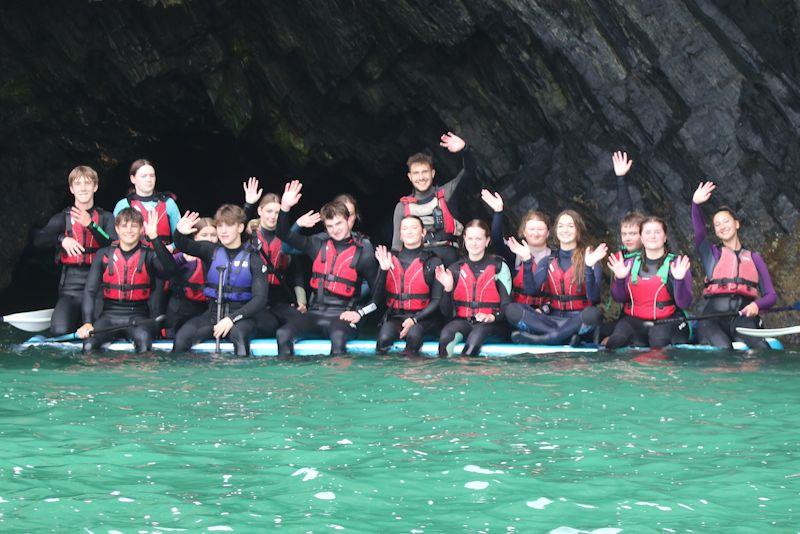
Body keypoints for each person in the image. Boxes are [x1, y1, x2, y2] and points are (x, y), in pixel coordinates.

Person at [275, 180, 379, 356]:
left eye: (339, 224)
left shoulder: (364, 250)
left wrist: (360, 314)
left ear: (349, 219)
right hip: (315, 313)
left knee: (338, 337)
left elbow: (379, 294)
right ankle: (290, 380)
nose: (335, 230)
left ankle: (337, 382)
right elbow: (283, 234)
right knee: (282, 333)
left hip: (343, 316)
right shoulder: (317, 243)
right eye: (330, 226)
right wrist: (285, 207)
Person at [172, 205, 268, 356]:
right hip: (212, 316)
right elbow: (183, 245)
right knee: (181, 338)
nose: (223, 231)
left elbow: (260, 300)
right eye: (220, 226)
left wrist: (231, 319)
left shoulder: (254, 259)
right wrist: (179, 232)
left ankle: (240, 377)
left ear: (240, 227)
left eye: (229, 225)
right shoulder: (210, 250)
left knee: (239, 337)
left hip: (241, 318)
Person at [77, 208, 177, 352]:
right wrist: (87, 322)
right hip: (108, 316)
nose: (129, 230)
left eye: (134, 226)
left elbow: (171, 270)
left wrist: (154, 237)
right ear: (117, 228)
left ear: (142, 229)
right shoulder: (103, 254)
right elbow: (90, 291)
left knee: (143, 340)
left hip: (139, 317)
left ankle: (141, 375)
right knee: (88, 346)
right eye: (124, 226)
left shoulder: (149, 255)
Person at [691, 182, 777, 349]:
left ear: (737, 224)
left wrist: (756, 305)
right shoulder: (711, 254)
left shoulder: (754, 258)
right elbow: (700, 232)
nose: (723, 226)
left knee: (761, 348)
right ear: (715, 231)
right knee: (724, 350)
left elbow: (771, 296)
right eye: (718, 225)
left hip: (743, 318)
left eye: (726, 221)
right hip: (712, 320)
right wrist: (695, 204)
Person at [34, 166, 117, 335]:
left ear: (95, 187)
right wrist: (62, 239)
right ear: (72, 189)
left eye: (87, 183)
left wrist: (91, 225)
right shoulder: (62, 218)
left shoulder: (107, 218)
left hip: (100, 288)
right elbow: (38, 240)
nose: (83, 188)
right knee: (59, 331)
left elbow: (112, 244)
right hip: (71, 288)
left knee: (98, 331)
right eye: (78, 184)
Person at [506, 210, 607, 345]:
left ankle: (547, 339)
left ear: (579, 230)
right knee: (512, 309)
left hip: (578, 319)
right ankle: (563, 336)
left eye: (570, 226)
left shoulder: (590, 257)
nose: (565, 230)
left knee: (594, 313)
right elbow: (531, 290)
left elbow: (594, 297)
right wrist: (527, 261)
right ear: (555, 231)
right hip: (551, 319)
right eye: (561, 226)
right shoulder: (548, 260)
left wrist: (588, 267)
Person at [605, 217, 693, 349]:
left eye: (657, 232)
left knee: (658, 342)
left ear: (665, 237)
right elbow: (619, 298)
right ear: (641, 237)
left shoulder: (677, 264)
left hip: (666, 320)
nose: (652, 236)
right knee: (614, 342)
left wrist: (679, 280)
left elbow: (684, 303)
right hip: (634, 320)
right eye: (647, 232)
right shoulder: (629, 263)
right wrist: (620, 278)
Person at [392, 132, 478, 265]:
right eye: (416, 173)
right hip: (421, 268)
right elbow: (396, 248)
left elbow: (469, 172)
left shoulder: (447, 192)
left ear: (432, 173)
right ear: (410, 177)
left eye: (425, 172)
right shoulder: (402, 207)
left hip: (451, 263)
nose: (421, 177)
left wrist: (465, 149)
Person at [113, 159, 181, 318]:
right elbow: (116, 240)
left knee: (157, 307)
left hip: (162, 261)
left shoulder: (168, 203)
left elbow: (179, 237)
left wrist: (171, 247)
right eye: (144, 176)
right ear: (133, 179)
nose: (149, 179)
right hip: (134, 263)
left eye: (152, 175)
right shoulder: (123, 204)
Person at [435, 220, 512, 356]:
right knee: (445, 335)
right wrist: (447, 289)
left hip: (493, 324)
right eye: (470, 238)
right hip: (464, 322)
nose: (474, 243)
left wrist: (492, 317)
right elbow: (446, 313)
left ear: (487, 241)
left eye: (478, 239)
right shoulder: (455, 269)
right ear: (464, 240)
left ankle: (466, 373)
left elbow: (508, 306)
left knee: (477, 335)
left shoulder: (499, 267)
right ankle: (448, 375)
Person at [370, 216, 443, 355]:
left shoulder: (433, 262)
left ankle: (412, 374)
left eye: (414, 228)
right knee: (383, 339)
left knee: (414, 337)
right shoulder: (389, 259)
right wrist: (384, 271)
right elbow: (376, 298)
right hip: (396, 316)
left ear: (423, 232)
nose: (409, 231)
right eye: (405, 228)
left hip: (423, 318)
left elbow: (437, 300)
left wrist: (415, 319)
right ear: (400, 234)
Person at [249, 190, 309, 337]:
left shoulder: (288, 239)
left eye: (277, 212)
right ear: (259, 211)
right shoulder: (248, 236)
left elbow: (297, 274)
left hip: (280, 298)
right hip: (254, 297)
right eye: (269, 211)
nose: (273, 216)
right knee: (267, 326)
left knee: (301, 322)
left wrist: (302, 302)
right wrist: (248, 204)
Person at [481, 189, 551, 310]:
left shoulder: (555, 257)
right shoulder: (515, 252)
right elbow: (497, 240)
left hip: (545, 311)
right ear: (524, 232)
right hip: (518, 311)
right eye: (531, 229)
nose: (535, 233)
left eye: (540, 229)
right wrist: (498, 212)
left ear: (548, 233)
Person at [163, 217, 217, 337]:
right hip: (179, 310)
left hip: (205, 310)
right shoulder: (182, 256)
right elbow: (164, 268)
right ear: (195, 237)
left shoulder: (221, 257)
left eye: (213, 235)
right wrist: (182, 259)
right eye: (204, 235)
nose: (209, 239)